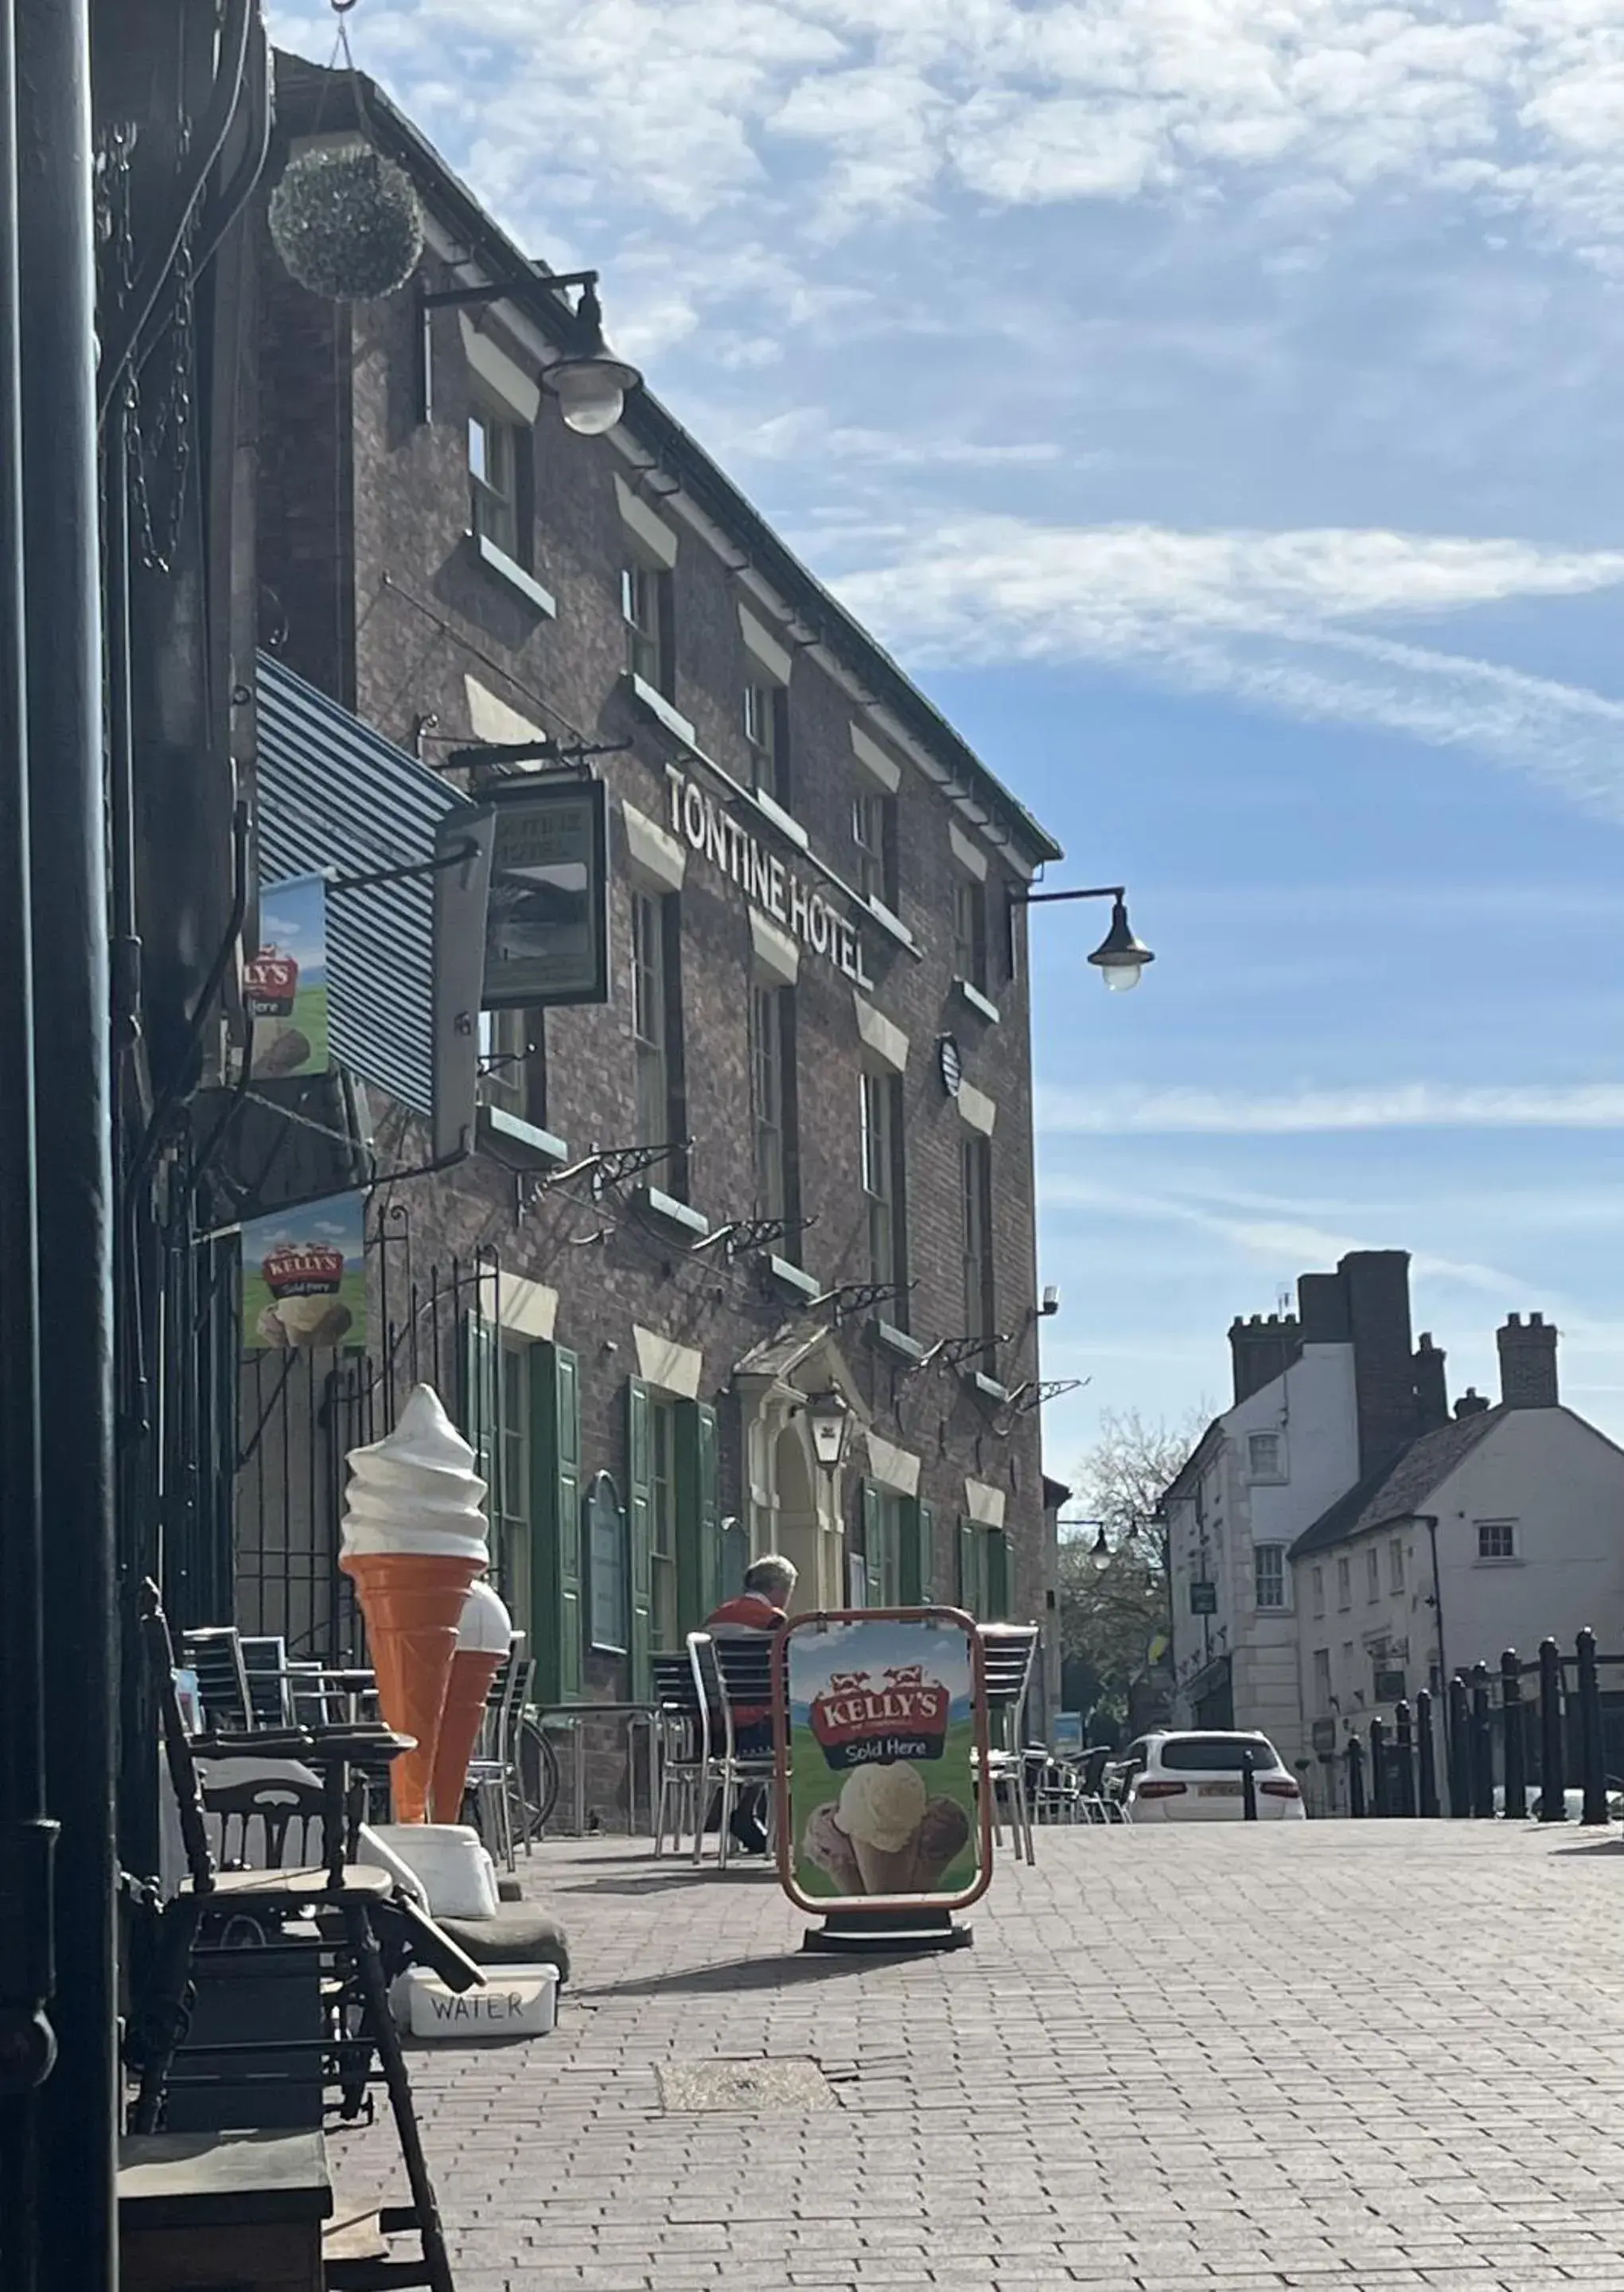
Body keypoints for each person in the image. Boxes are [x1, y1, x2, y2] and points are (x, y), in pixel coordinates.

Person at [704, 1554, 796, 1854]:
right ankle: (790, 1829)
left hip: (717, 1726)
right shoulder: (774, 1621)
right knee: (809, 1732)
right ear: (779, 1589)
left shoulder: (714, 1620)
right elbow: (791, 1672)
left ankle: (746, 1815)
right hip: (760, 1727)